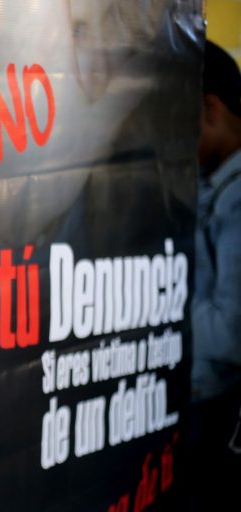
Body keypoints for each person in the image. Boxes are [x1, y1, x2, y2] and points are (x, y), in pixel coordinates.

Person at [190, 39, 241, 511]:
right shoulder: (216, 184)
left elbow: (231, 332)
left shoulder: (236, 197)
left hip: (218, 408)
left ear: (211, 109)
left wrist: (162, 310)